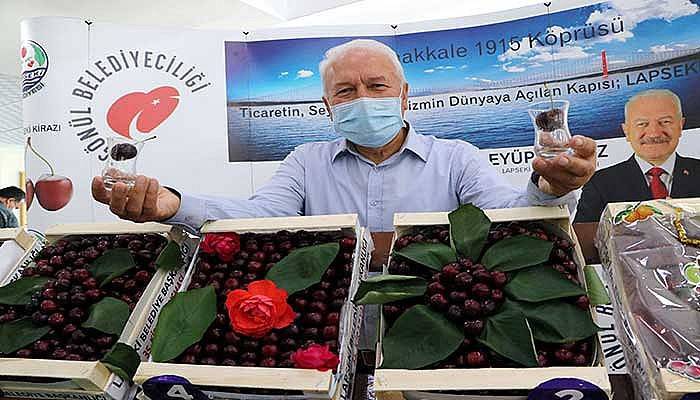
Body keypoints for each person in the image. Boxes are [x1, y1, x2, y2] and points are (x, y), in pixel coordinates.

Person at [92, 39, 597, 233]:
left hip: (438, 328)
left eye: (376, 87)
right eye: (345, 91)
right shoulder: (305, 162)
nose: (362, 99)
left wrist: (551, 189)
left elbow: (504, 219)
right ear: (328, 106)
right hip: (326, 334)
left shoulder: (457, 159)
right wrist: (172, 204)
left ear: (403, 97)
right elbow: (261, 215)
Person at [575, 89, 700, 223]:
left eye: (665, 122)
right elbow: (583, 238)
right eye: (642, 124)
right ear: (626, 131)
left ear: (681, 126)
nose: (654, 133)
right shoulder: (600, 183)